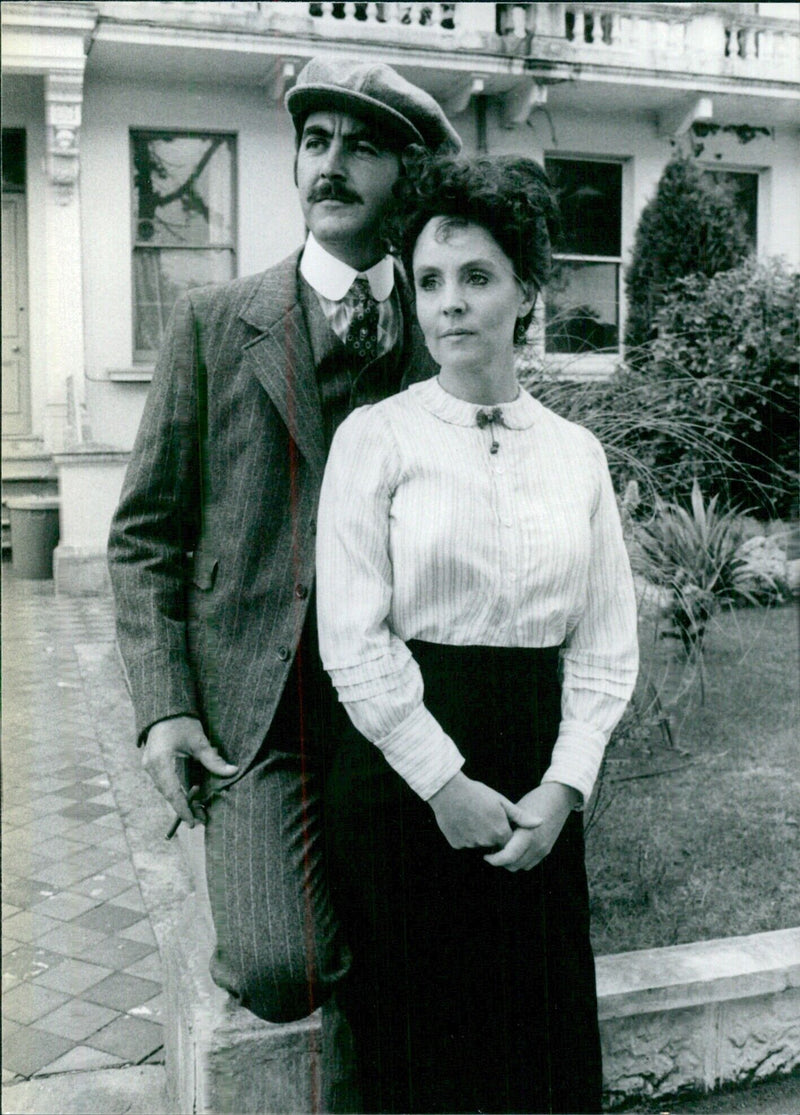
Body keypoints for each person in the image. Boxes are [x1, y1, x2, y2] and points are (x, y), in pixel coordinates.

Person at [107, 57, 460, 1106]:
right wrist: (164, 709)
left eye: (361, 144)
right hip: (266, 713)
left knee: (441, 932)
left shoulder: (439, 331)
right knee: (277, 966)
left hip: (405, 706)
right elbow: (142, 534)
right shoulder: (217, 322)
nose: (332, 162)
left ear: (406, 173)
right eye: (316, 140)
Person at [315, 153, 639, 1114]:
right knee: (422, 1057)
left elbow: (605, 643)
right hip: (404, 774)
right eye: (430, 280)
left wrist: (563, 786)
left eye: (478, 277)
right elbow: (352, 636)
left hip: (534, 774)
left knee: (535, 1052)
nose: (450, 303)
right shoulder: (377, 438)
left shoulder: (577, 455)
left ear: (526, 292)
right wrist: (444, 784)